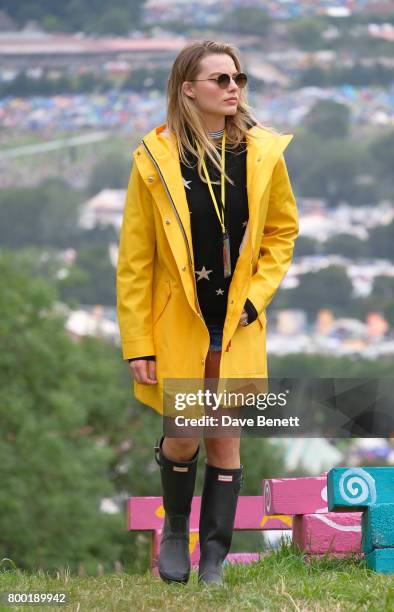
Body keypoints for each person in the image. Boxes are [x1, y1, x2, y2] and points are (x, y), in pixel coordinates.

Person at [116, 40, 299, 585]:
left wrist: (254, 297)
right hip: (180, 320)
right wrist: (137, 343)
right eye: (220, 79)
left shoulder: (263, 152)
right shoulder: (154, 158)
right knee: (185, 432)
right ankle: (176, 528)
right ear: (187, 88)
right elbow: (135, 260)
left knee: (225, 434)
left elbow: (281, 233)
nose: (233, 87)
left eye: (238, 78)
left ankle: (214, 556)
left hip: (238, 319)